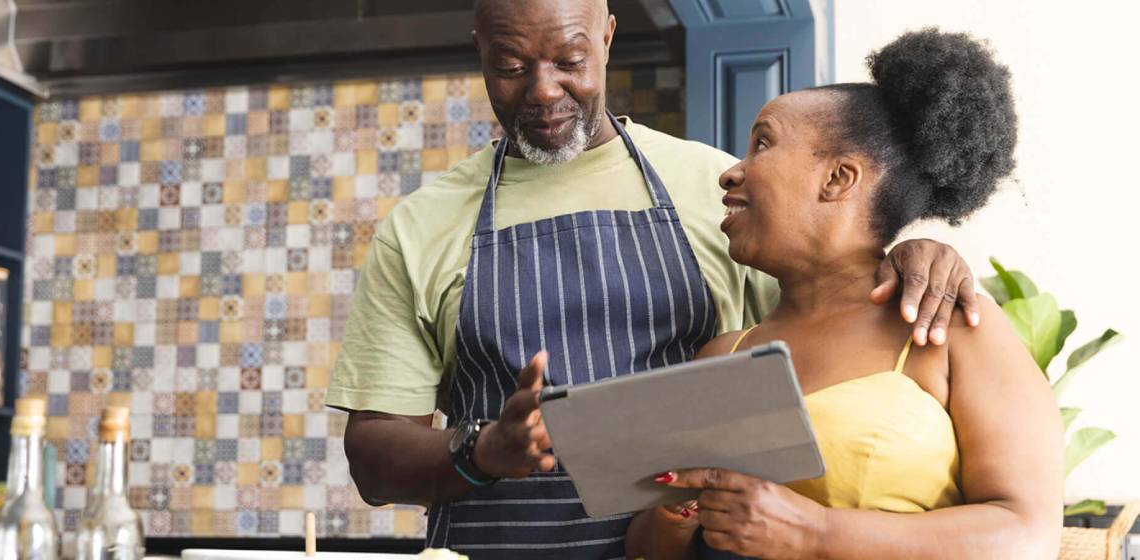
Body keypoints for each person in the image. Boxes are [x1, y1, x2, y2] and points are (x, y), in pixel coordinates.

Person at [329, 1, 983, 557]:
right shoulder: (421, 226)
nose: (544, 89)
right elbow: (372, 459)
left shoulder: (719, 193)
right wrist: (483, 450)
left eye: (570, 59)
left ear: (607, 38)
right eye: (511, 66)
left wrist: (910, 255)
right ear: (479, 51)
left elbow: (831, 308)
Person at [624, 28, 1064, 560]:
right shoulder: (723, 355)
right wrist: (675, 513)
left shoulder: (949, 327)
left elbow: (1027, 535)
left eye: (762, 143)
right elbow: (654, 549)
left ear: (837, 178)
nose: (731, 172)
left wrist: (815, 533)